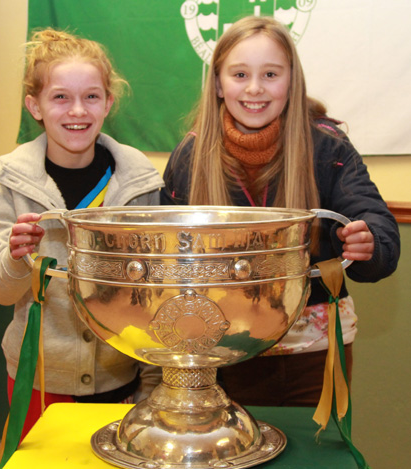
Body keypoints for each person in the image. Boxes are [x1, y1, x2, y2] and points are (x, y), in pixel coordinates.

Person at [160, 16, 400, 407]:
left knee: (313, 455)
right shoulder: (190, 156)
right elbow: (168, 258)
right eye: (239, 74)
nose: (255, 88)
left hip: (311, 351)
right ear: (218, 83)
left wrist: (370, 240)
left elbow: (377, 225)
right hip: (218, 351)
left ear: (292, 81)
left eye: (270, 74)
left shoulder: (328, 147)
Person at [0, 29, 164, 439]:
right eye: (60, 97)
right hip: (38, 378)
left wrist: (151, 383)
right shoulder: (8, 177)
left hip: (120, 377)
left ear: (108, 103)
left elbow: (155, 295)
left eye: (92, 96)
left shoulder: (140, 182)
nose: (77, 110)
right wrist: (13, 259)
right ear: (35, 106)